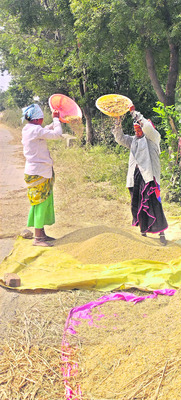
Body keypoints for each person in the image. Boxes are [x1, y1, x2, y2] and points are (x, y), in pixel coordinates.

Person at [112, 104, 168, 245]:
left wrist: (133, 113)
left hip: (150, 178)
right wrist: (117, 122)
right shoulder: (133, 141)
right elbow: (119, 138)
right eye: (135, 128)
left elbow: (147, 127)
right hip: (135, 177)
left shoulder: (153, 139)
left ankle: (161, 233)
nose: (137, 130)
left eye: (140, 127)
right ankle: (143, 230)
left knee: (155, 204)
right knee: (137, 203)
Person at [22, 103, 64, 247]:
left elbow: (43, 130)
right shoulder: (35, 131)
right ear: (37, 119)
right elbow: (58, 135)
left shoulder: (29, 129)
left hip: (37, 171)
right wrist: (57, 120)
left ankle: (41, 234)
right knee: (41, 203)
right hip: (38, 172)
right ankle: (38, 238)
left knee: (42, 202)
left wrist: (54, 122)